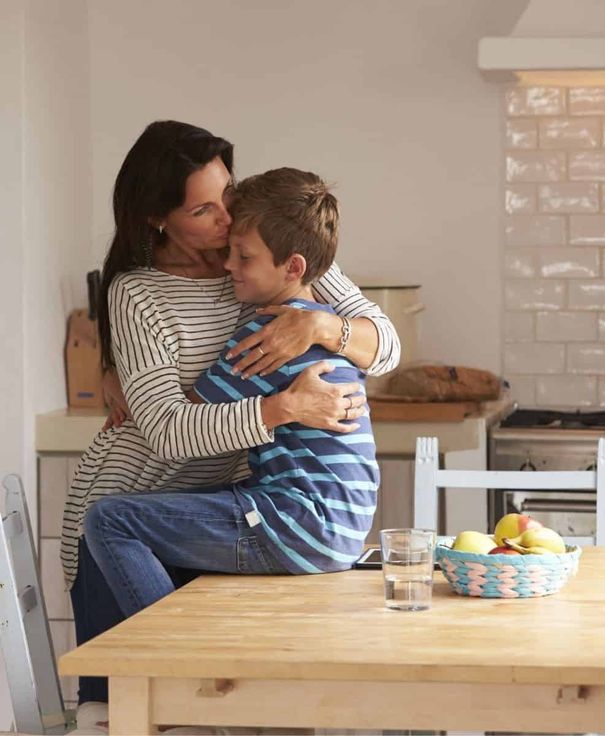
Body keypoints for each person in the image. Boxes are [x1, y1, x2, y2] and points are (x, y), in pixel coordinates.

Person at [63, 121, 399, 706]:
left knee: (207, 697)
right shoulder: (138, 292)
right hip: (135, 496)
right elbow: (166, 430)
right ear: (156, 218)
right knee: (123, 706)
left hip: (221, 506)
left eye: (228, 195)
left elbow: (387, 346)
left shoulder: (265, 244)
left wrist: (321, 324)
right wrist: (282, 407)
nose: (225, 222)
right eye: (204, 211)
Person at [83, 167, 379, 617]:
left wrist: (131, 380)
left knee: (109, 520)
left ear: (293, 267)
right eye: (204, 210)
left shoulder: (267, 339)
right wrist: (116, 367)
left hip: (297, 522)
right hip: (337, 525)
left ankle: (167, 656)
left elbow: (185, 420)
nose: (228, 264)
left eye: (242, 256)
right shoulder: (316, 319)